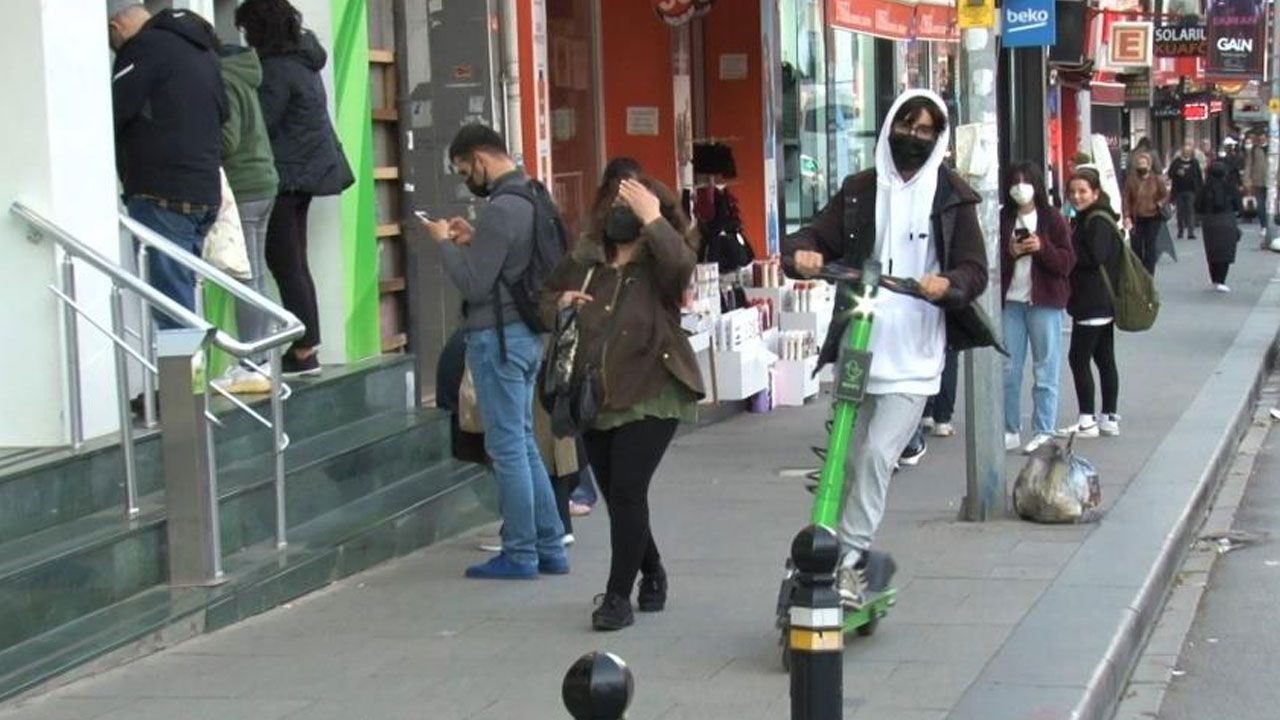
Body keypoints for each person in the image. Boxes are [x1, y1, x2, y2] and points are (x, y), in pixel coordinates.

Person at [783, 90, 990, 607]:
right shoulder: (861, 189)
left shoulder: (952, 196)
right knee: (845, 458)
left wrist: (949, 283)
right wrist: (802, 253)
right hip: (860, 343)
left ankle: (851, 556)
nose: (912, 137)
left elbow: (974, 269)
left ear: (938, 137)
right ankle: (826, 549)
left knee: (878, 454)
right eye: (905, 125)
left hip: (915, 355)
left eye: (924, 130)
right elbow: (815, 235)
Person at [540, 171, 704, 630]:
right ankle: (652, 570)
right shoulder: (586, 258)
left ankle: (616, 596)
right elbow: (544, 297)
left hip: (654, 390)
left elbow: (683, 269)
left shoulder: (660, 262)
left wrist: (654, 220)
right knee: (617, 496)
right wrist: (560, 304)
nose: (619, 212)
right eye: (615, 203)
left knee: (629, 490)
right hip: (594, 395)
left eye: (629, 205)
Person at [420, 124, 568, 580]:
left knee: (507, 448)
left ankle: (520, 552)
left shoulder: (501, 209)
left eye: (465, 170)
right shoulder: (532, 196)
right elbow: (507, 262)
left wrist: (443, 244)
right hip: (528, 335)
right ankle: (550, 545)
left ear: (481, 159)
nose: (467, 179)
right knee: (523, 442)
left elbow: (474, 284)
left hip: (498, 338)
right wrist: (473, 240)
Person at [237, 0, 353, 378]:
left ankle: (304, 350)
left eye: (246, 29)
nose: (244, 37)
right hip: (305, 174)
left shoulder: (275, 69)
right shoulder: (303, 62)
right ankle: (307, 347)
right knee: (295, 264)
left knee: (286, 264)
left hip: (286, 176)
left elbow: (261, 124)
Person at [109, 2, 226, 326]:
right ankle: (189, 357)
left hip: (162, 192)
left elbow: (113, 113)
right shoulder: (203, 51)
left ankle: (183, 362)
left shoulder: (141, 49)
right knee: (183, 294)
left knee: (171, 309)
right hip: (203, 190)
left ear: (116, 29)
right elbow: (224, 112)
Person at [198, 22, 282, 395]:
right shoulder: (245, 75)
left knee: (245, 278)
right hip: (262, 181)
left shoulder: (225, 80)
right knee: (255, 274)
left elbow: (227, 140)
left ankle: (253, 361)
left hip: (243, 185)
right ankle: (260, 358)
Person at [999, 162, 1076, 455]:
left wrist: (1041, 247)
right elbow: (992, 263)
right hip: (1012, 303)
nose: (1020, 188)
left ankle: (1044, 429)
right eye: (1014, 182)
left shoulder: (1052, 218)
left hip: (1045, 303)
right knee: (1009, 369)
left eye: (1026, 182)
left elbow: (1066, 262)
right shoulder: (1004, 218)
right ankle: (1010, 427)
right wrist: (1011, 251)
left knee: (1046, 369)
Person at [1060, 169, 1122, 439]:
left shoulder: (1095, 221)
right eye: (1072, 191)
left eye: (1083, 191)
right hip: (1102, 300)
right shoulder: (1098, 217)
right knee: (1104, 358)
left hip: (1091, 300)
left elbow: (1095, 256)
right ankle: (1108, 417)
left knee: (1078, 358)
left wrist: (1068, 251)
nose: (1076, 196)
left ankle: (1087, 419)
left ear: (1095, 193)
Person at [1196, 161, 1244, 293]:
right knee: (1225, 252)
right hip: (1227, 221)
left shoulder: (1205, 188)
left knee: (1212, 252)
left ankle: (1215, 279)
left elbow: (1197, 205)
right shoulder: (1230, 187)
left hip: (1209, 222)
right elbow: (1239, 206)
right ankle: (1221, 280)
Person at [1122, 152, 1168, 276]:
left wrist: (1159, 204)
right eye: (1139, 163)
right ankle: (1138, 274)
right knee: (1136, 247)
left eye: (1144, 163)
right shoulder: (1131, 180)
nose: (1141, 166)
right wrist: (1126, 216)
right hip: (1136, 218)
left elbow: (1165, 195)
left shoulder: (1156, 179)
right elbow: (1126, 199)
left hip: (1153, 218)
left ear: (1149, 165)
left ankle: (1148, 275)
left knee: (1150, 247)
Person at [1167, 140, 1203, 241]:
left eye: (1188, 152)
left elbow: (1199, 176)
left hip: (1191, 191)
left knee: (1190, 211)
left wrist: (1200, 189)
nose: (1187, 153)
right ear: (1182, 152)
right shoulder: (1176, 162)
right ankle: (1180, 231)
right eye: (1185, 151)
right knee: (1180, 212)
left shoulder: (1194, 162)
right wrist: (1176, 172)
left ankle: (1191, 232)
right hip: (1179, 190)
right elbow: (1170, 173)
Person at [1242, 132, 1269, 228]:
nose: (1261, 140)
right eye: (1260, 139)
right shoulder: (1253, 150)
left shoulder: (1274, 148)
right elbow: (1248, 165)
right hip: (1258, 181)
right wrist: (1246, 180)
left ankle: (1270, 224)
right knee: (1260, 205)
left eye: (1263, 138)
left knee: (1272, 205)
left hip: (1272, 182)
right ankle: (1264, 225)